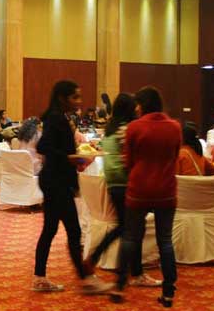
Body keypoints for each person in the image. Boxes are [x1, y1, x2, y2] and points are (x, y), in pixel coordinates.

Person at [33, 80, 113, 293]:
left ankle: (40, 277)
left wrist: (73, 158)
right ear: (62, 98)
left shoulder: (58, 117)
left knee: (50, 230)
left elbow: (53, 147)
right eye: (74, 97)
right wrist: (69, 158)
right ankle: (86, 279)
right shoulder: (56, 118)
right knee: (73, 231)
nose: (79, 101)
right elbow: (44, 146)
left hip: (55, 179)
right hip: (56, 182)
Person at [115, 86, 180, 307]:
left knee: (130, 237)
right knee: (165, 241)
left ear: (142, 105)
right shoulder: (174, 127)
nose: (136, 108)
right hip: (166, 190)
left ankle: (119, 285)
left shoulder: (134, 127)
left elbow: (128, 161)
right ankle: (168, 291)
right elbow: (175, 157)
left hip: (139, 189)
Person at [86, 93, 159, 286]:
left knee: (126, 227)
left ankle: (123, 268)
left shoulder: (110, 129)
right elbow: (134, 157)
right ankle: (131, 272)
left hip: (113, 182)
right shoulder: (127, 129)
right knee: (133, 228)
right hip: (127, 183)